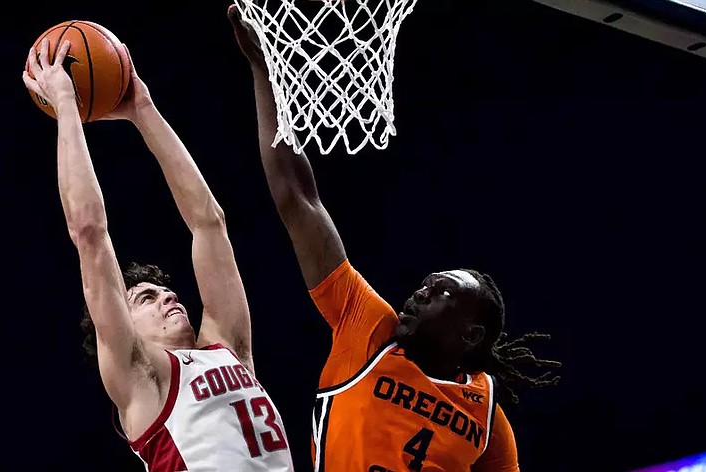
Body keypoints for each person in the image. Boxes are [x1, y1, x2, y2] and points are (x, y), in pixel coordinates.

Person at [228, 5, 561, 472]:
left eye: (441, 292)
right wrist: (265, 71)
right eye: (425, 284)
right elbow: (297, 198)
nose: (419, 293)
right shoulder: (368, 328)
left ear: (471, 333)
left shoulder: (487, 416)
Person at [22, 38, 295, 472]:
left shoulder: (231, 350)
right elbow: (89, 233)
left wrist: (143, 110)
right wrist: (66, 106)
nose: (168, 297)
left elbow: (209, 222)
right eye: (145, 298)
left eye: (165, 292)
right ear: (117, 327)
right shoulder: (140, 377)